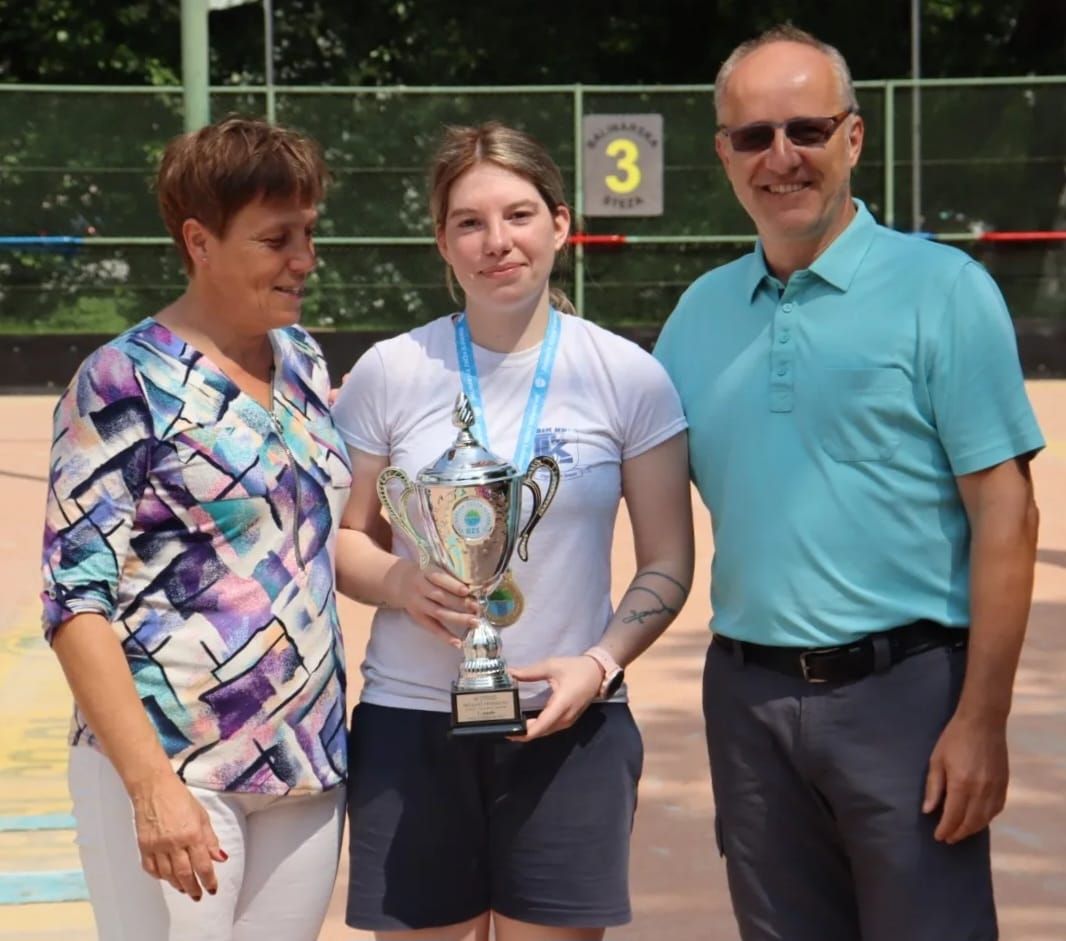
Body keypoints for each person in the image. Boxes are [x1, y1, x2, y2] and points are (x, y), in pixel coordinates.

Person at [653, 24, 1044, 941]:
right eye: (754, 136)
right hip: (747, 703)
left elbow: (1007, 513)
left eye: (808, 130)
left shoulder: (943, 289)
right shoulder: (698, 313)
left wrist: (982, 718)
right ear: (724, 153)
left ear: (854, 137)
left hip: (908, 699)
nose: (781, 156)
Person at [331, 121, 694, 941]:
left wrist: (598, 665)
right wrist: (400, 581)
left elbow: (669, 561)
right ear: (443, 242)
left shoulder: (628, 376)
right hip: (412, 722)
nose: (497, 241)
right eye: (470, 222)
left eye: (519, 215)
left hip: (572, 722)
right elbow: (344, 541)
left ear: (560, 224)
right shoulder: (391, 370)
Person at [40, 116, 350, 941]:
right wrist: (151, 786)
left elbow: (307, 546)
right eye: (276, 239)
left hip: (306, 764)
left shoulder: (305, 360)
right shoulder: (122, 380)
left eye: (309, 233)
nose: (304, 259)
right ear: (199, 241)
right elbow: (74, 603)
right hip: (175, 769)